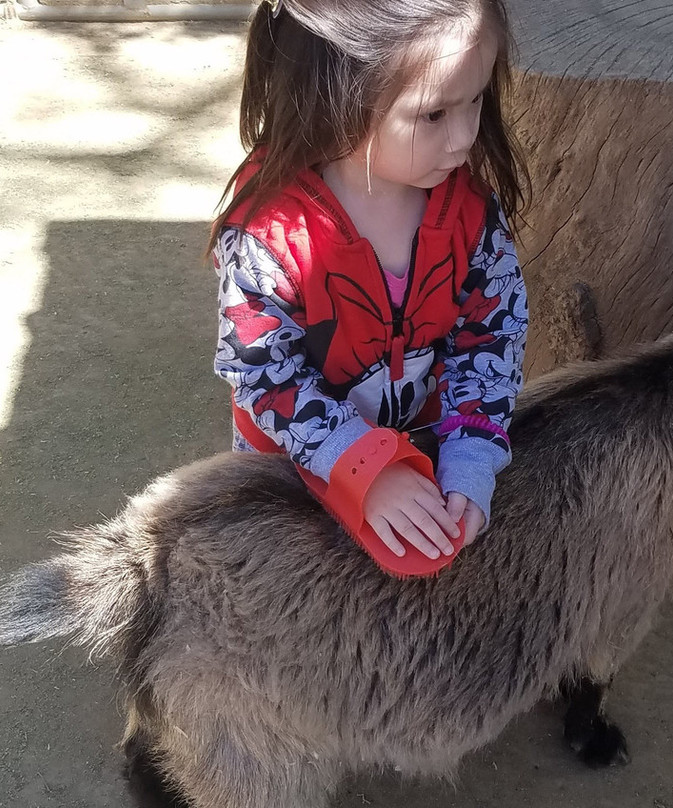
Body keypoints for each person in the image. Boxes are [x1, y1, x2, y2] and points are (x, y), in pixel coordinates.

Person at [209, 0, 528, 566]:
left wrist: (472, 454)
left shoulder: (471, 215)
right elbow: (264, 374)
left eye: (475, 100)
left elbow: (490, 340)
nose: (463, 139)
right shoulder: (269, 236)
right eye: (433, 115)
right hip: (287, 470)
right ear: (338, 95)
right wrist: (365, 467)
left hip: (423, 443)